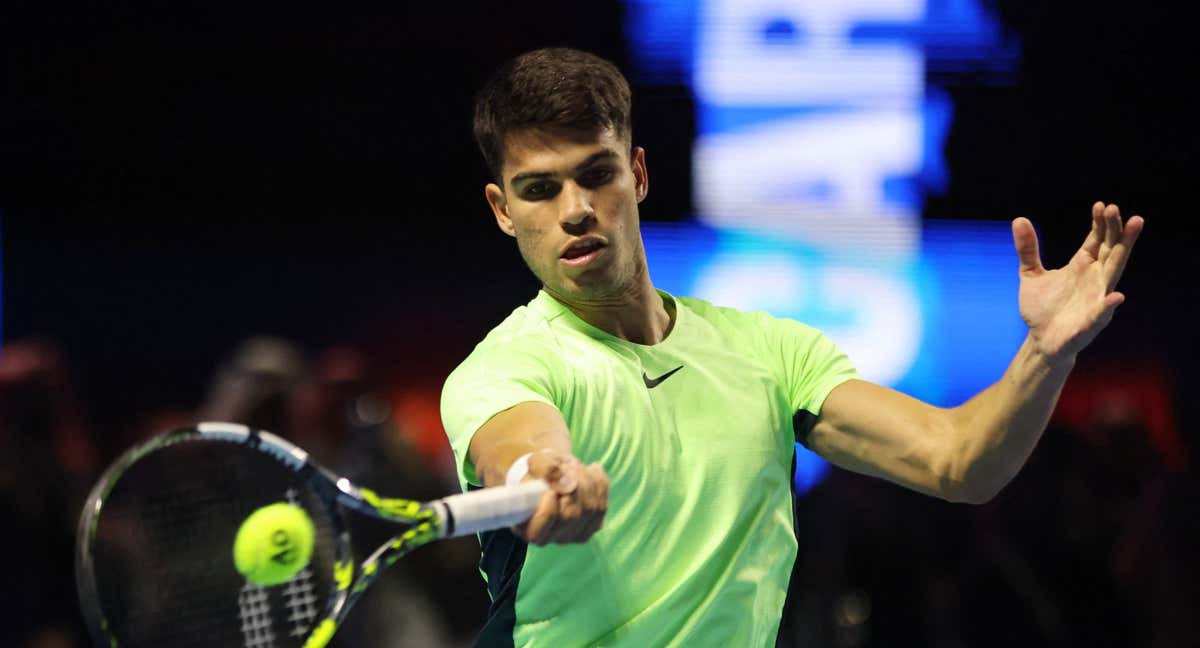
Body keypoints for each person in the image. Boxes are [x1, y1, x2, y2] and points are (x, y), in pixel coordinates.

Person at [439, 47, 1143, 647]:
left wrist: (1046, 354)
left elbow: (959, 460)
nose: (575, 210)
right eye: (539, 190)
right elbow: (521, 453)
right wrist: (546, 477)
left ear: (639, 174)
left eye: (597, 173)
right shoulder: (504, 367)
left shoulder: (767, 351)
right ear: (503, 210)